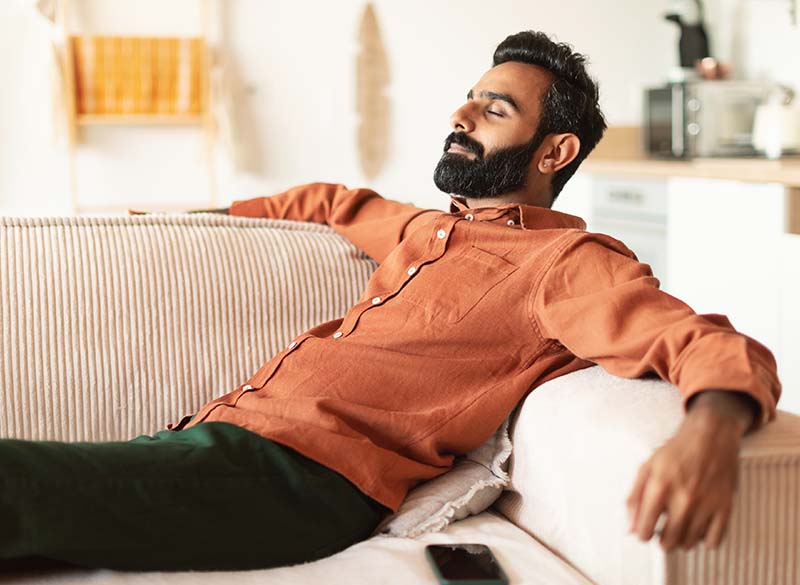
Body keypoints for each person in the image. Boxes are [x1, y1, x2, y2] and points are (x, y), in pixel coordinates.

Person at [0, 30, 780, 572]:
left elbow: (705, 342)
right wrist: (183, 217)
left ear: (555, 150)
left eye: (494, 110)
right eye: (468, 100)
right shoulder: (425, 228)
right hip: (213, 439)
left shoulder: (562, 265)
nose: (460, 117)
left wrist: (709, 428)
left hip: (297, 479)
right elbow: (327, 201)